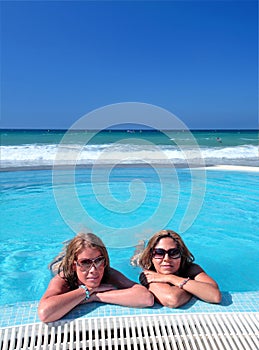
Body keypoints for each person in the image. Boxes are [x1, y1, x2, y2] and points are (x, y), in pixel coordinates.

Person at [38, 233, 154, 322]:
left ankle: (140, 246)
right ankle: (66, 248)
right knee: (56, 263)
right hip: (59, 266)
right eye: (85, 263)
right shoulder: (63, 279)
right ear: (74, 265)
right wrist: (86, 291)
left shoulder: (107, 273)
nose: (94, 270)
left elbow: (146, 298)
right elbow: (45, 313)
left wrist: (96, 297)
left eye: (98, 260)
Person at [138, 229, 221, 308]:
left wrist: (169, 278)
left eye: (173, 252)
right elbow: (173, 300)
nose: (166, 259)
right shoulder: (149, 274)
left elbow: (215, 296)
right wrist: (194, 288)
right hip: (140, 262)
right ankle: (140, 244)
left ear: (181, 255)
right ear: (151, 256)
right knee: (136, 260)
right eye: (159, 253)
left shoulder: (191, 269)